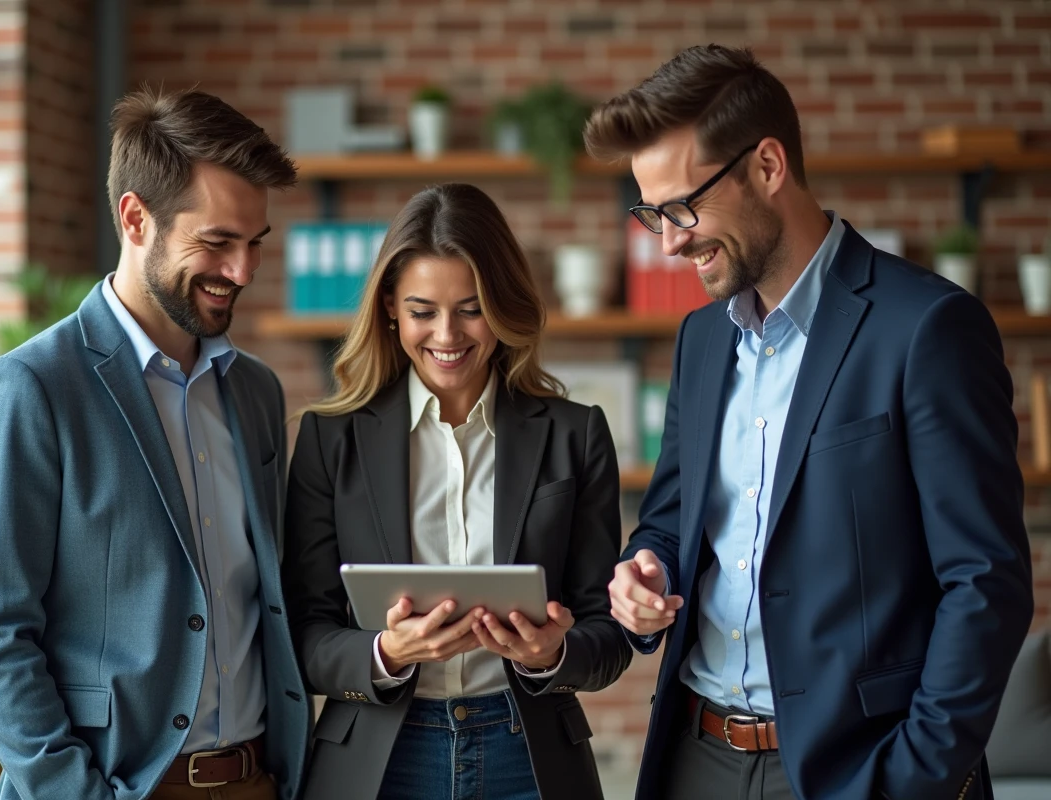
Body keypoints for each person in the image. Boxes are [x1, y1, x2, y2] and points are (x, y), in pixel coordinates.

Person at [590, 45, 1034, 800]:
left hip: (860, 769)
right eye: (650, 214)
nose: (667, 242)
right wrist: (647, 572)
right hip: (695, 759)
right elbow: (671, 521)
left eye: (681, 208)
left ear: (768, 166)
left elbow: (985, 584)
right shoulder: (701, 340)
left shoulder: (928, 328)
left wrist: (914, 777)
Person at [0, 87, 310, 800]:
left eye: (253, 245)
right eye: (216, 243)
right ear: (135, 218)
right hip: (117, 786)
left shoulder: (257, 394)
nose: (242, 272)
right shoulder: (31, 388)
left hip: (257, 781)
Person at [282, 183, 632, 800]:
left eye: (471, 308)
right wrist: (386, 653)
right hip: (381, 758)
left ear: (502, 305)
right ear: (390, 307)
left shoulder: (574, 435)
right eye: (422, 311)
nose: (447, 335)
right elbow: (304, 632)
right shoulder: (330, 439)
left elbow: (607, 637)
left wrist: (551, 655)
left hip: (527, 756)